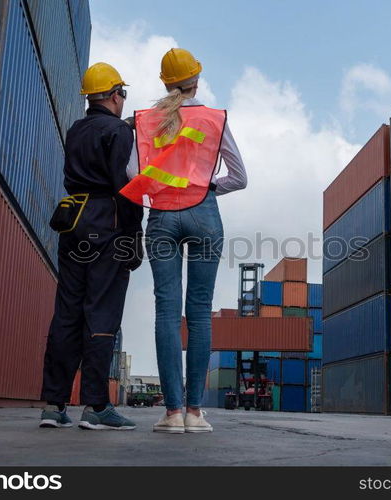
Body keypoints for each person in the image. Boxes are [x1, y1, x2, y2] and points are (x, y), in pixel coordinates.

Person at [120, 48, 247, 433]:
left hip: (162, 216)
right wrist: (206, 188)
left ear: (166, 83)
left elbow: (131, 172)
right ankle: (195, 412)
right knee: (200, 311)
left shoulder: (145, 122)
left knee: (166, 311)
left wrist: (167, 189)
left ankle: (172, 413)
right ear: (196, 79)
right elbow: (239, 177)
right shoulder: (215, 119)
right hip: (205, 214)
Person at [39, 63, 142, 431]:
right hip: (108, 223)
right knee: (102, 314)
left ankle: (54, 405)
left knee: (67, 313)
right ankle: (96, 406)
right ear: (115, 95)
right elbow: (125, 187)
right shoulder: (118, 131)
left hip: (72, 223)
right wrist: (135, 236)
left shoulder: (76, 129)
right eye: (123, 94)